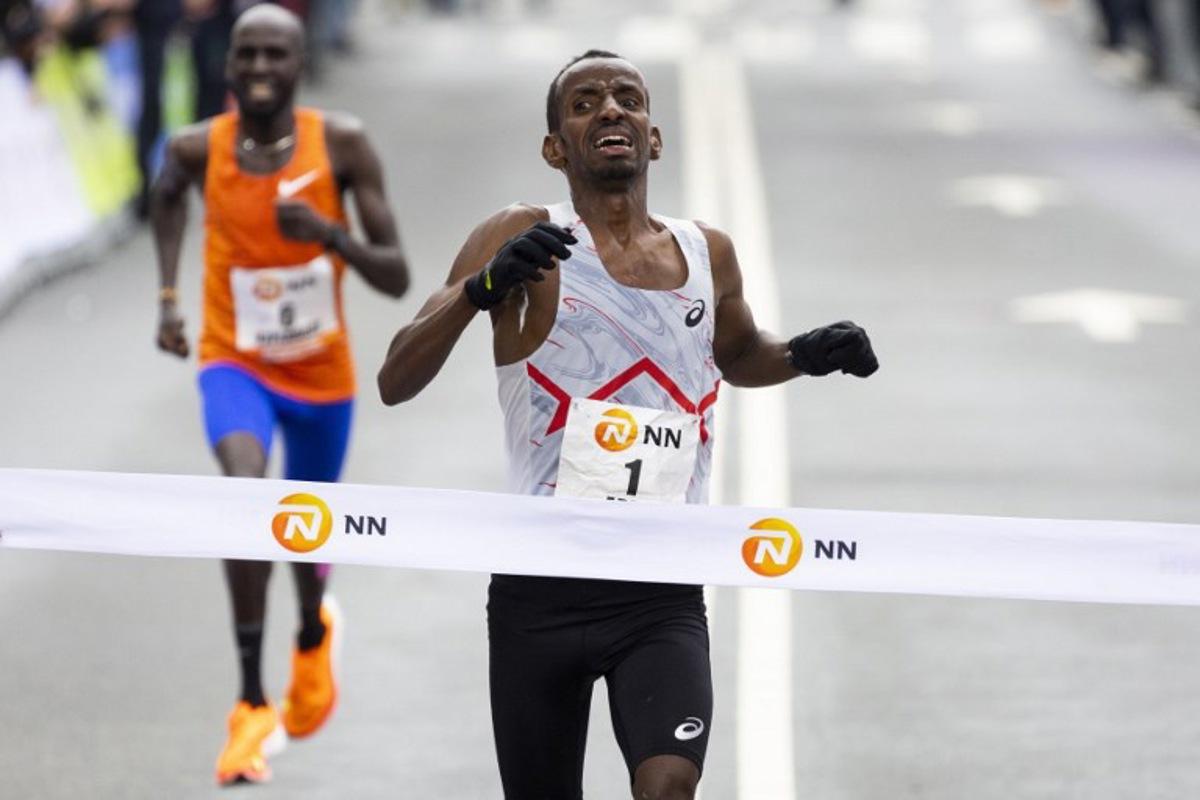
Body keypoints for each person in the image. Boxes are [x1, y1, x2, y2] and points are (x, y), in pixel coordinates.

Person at [378, 49, 878, 800]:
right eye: (584, 103)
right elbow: (395, 379)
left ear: (653, 137)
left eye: (627, 99)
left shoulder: (707, 252)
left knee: (670, 786)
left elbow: (737, 353)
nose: (609, 110)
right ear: (555, 147)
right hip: (540, 588)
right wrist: (480, 291)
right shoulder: (522, 236)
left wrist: (805, 354)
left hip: (660, 587)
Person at [151, 3, 409, 786]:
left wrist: (328, 234)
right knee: (245, 499)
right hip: (236, 361)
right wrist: (168, 298)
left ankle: (308, 631)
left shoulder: (344, 143)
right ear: (228, 64)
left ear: (299, 66)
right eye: (246, 56)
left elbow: (396, 276)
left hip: (322, 374)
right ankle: (250, 701)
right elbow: (164, 194)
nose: (260, 69)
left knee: (304, 528)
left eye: (276, 57)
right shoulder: (200, 146)